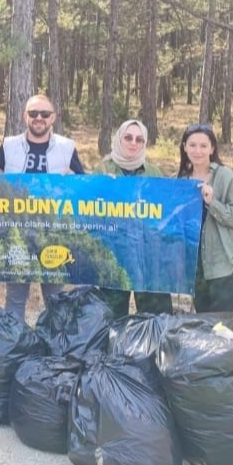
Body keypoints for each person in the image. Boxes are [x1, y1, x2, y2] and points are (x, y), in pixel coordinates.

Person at [0, 94, 84, 321]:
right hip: (17, 233)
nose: (39, 118)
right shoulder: (9, 145)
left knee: (54, 298)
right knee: (16, 298)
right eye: (33, 113)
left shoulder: (67, 148)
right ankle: (14, 346)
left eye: (44, 114)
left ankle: (53, 347)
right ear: (24, 116)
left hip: (53, 234)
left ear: (53, 118)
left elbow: (82, 187)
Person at [94, 119, 171, 318]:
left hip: (146, 255)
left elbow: (164, 209)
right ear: (119, 138)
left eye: (139, 139)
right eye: (128, 137)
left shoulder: (153, 172)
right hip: (114, 255)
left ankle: (151, 349)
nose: (133, 143)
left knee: (153, 315)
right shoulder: (102, 170)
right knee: (111, 315)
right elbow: (89, 208)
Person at [176, 124, 233, 313]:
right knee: (204, 321)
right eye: (192, 145)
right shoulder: (180, 181)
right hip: (195, 266)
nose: (198, 151)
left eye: (203, 146)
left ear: (212, 148)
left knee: (223, 324)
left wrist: (212, 202)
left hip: (222, 264)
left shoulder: (225, 177)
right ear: (184, 147)